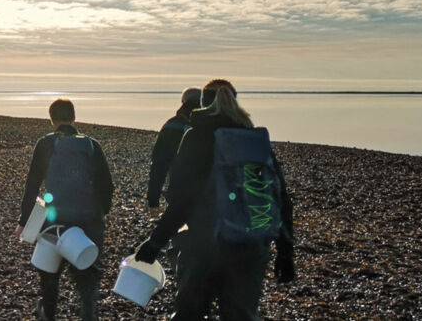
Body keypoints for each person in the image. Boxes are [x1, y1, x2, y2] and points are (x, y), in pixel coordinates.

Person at [135, 79, 295, 321]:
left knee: (189, 314)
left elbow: (182, 198)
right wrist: (285, 252)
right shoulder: (253, 140)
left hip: (203, 244)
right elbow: (279, 197)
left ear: (203, 103)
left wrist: (156, 241)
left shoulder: (197, 137)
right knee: (241, 315)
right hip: (249, 245)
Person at [15, 99, 114, 321]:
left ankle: (48, 313)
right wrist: (101, 213)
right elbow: (107, 186)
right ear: (74, 118)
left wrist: (24, 222)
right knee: (88, 276)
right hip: (89, 221)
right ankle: (88, 314)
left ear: (51, 119)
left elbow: (32, 185)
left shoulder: (45, 144)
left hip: (55, 220)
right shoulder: (92, 145)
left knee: (49, 274)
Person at [147, 87, 203, 217]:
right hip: (211, 192)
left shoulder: (171, 125)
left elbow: (159, 164)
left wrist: (153, 198)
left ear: (183, 101)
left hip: (178, 191)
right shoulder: (211, 124)